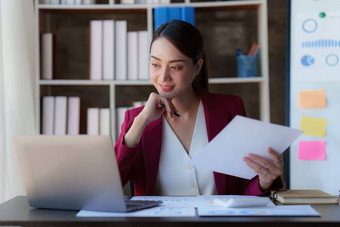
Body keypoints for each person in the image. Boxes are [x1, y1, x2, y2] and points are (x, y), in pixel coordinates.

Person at [114, 20, 283, 196]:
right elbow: (110, 185)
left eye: (175, 67)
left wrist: (264, 181)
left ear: (197, 67)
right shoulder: (136, 120)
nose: (163, 77)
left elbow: (243, 190)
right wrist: (141, 121)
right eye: (155, 64)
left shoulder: (231, 108)